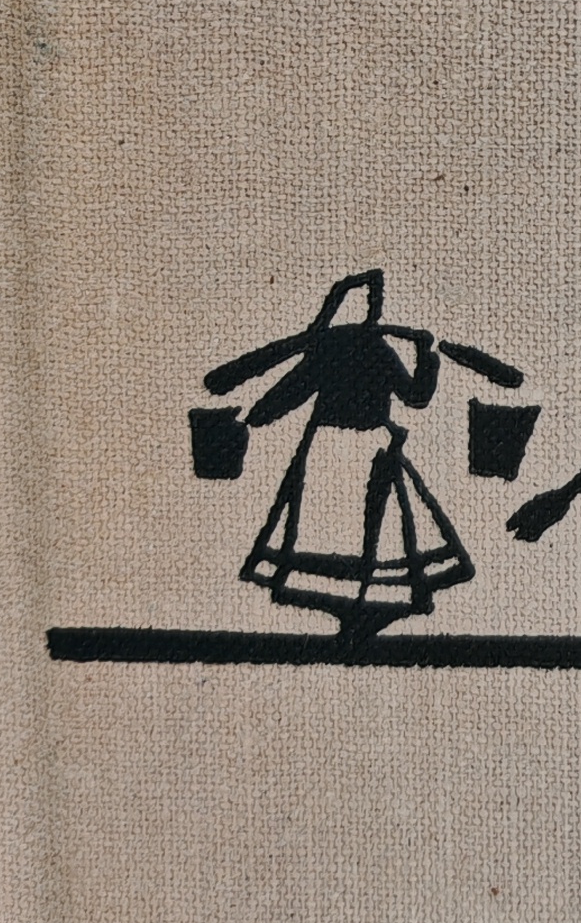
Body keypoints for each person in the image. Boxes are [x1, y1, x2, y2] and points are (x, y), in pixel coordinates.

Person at [203, 269, 517, 643]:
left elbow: (290, 392)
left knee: (336, 529)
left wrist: (253, 419)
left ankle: (349, 609)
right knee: (373, 531)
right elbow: (416, 396)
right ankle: (363, 609)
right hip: (363, 448)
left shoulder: (333, 348)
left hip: (332, 449)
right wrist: (424, 353)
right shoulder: (375, 349)